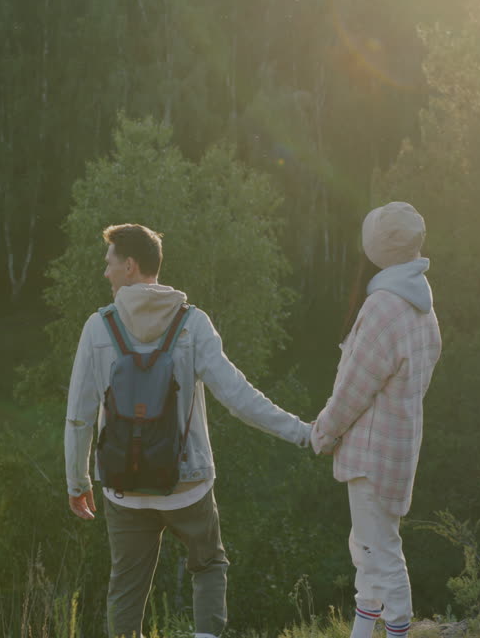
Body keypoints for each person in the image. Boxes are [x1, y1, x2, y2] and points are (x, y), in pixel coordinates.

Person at [65, 223, 312, 638]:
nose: (104, 273)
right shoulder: (192, 323)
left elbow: (78, 415)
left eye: (108, 264)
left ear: (129, 266)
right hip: (188, 483)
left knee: (125, 588)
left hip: (123, 487)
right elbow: (238, 397)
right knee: (209, 565)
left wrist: (77, 481)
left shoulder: (98, 328)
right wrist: (303, 432)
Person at [311, 202, 443, 638]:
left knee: (381, 551)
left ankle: (398, 633)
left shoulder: (385, 306)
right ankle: (364, 631)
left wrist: (325, 432)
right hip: (399, 443)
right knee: (369, 546)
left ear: (377, 248)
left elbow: (354, 387)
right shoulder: (420, 301)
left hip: (372, 450)